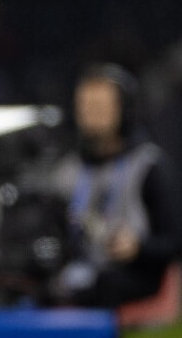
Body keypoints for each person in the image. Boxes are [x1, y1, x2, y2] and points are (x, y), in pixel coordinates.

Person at [50, 63, 182, 309]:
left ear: (124, 109)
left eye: (99, 107)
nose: (90, 114)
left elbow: (173, 241)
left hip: (133, 273)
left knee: (105, 283)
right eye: (85, 106)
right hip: (78, 270)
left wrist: (139, 248)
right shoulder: (66, 172)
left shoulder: (148, 166)